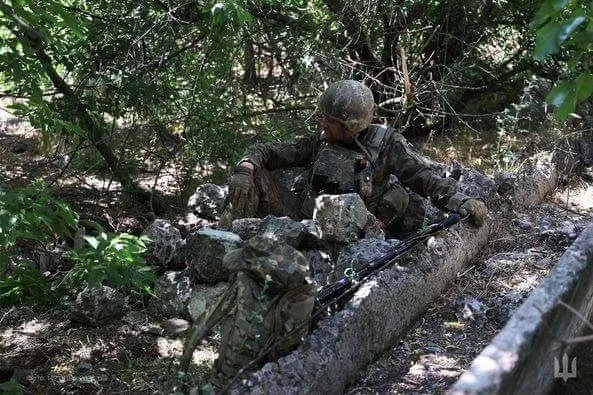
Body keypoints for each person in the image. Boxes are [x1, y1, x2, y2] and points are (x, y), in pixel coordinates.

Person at [221, 80, 487, 235]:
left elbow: (424, 178)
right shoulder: (321, 140)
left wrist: (461, 200)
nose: (321, 123)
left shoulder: (386, 144)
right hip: (301, 221)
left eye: (329, 120)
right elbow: (271, 151)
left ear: (351, 125)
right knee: (252, 174)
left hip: (350, 232)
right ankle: (231, 239)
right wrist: (245, 168)